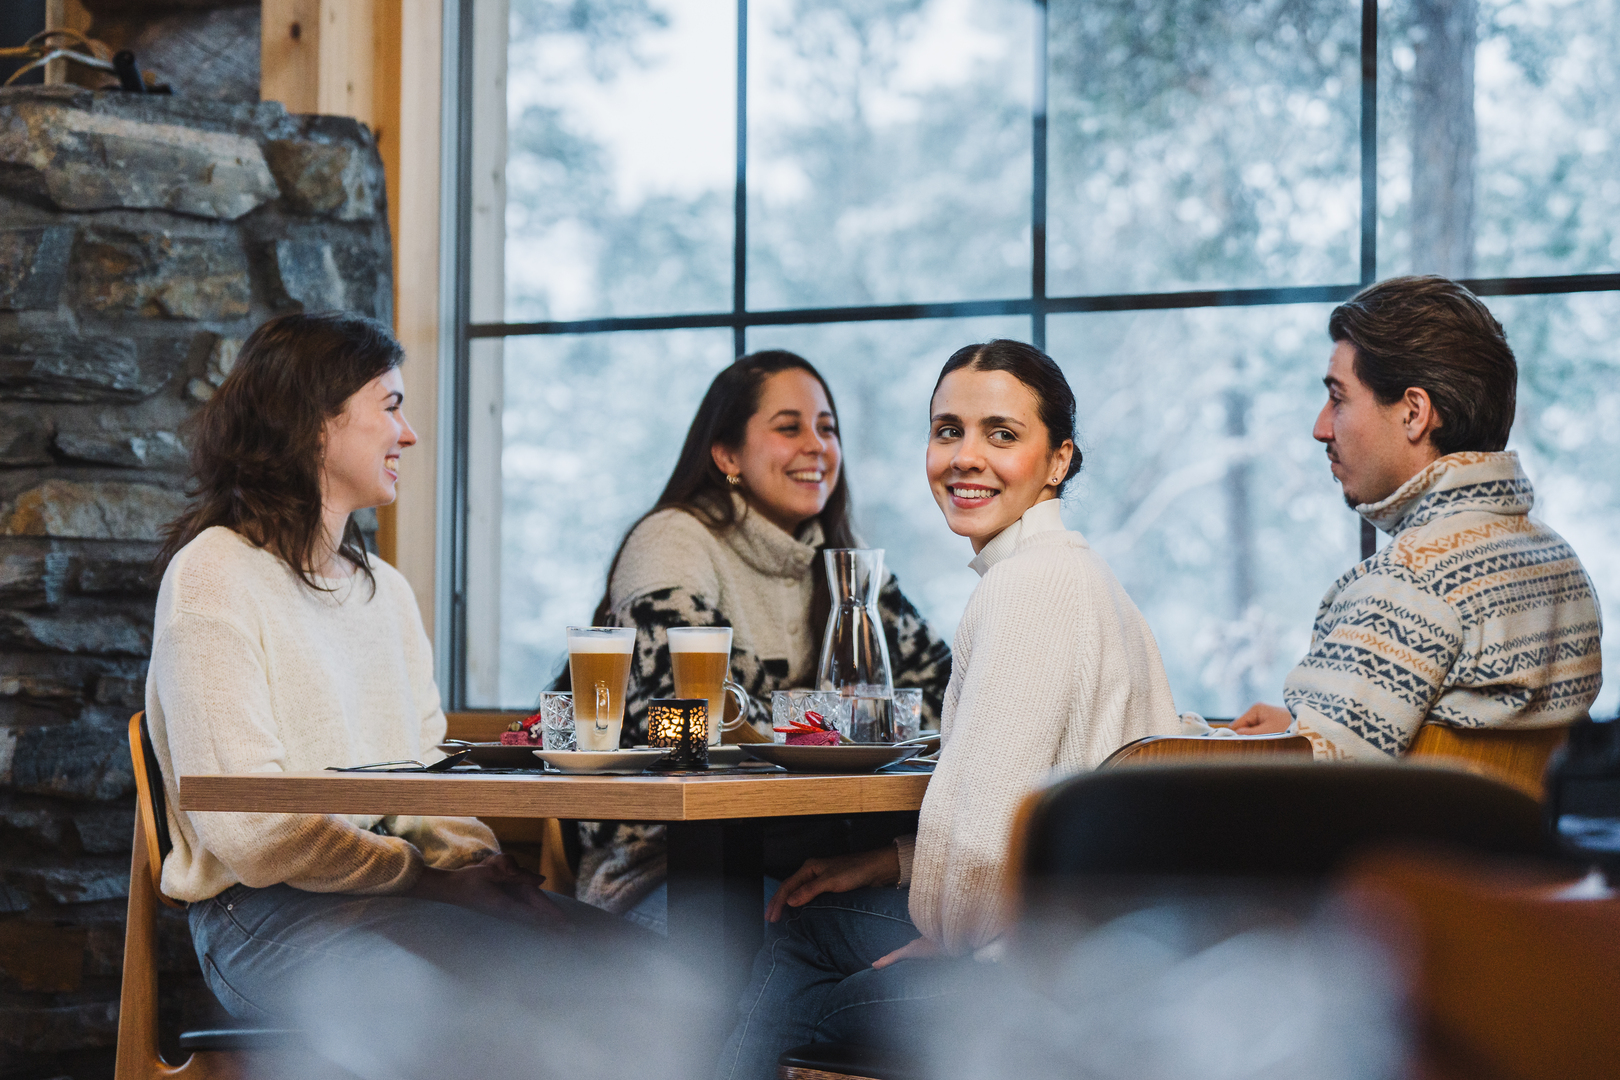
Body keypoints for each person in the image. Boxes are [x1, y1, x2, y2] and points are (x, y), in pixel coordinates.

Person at [145, 313, 695, 1075]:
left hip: (407, 894)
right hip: (262, 915)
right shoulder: (214, 575)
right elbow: (252, 834)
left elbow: (430, 781)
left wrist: (477, 871)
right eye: (391, 406)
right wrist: (429, 878)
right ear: (315, 421)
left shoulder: (386, 593)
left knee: (661, 983)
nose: (408, 434)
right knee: (484, 1018)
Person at [714, 339, 1183, 1079]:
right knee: (807, 927)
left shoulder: (1024, 588)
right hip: (1108, 944)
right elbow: (1033, 807)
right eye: (947, 431)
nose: (965, 457)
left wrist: (957, 940)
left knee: (797, 981)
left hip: (1040, 969)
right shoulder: (1079, 573)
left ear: (1058, 460)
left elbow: (986, 848)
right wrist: (894, 861)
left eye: (1001, 434)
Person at [570, 350, 954, 929]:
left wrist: (804, 718)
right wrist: (848, 720)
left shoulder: (845, 563)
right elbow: (682, 720)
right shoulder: (672, 541)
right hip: (671, 864)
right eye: (789, 427)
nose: (817, 446)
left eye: (827, 428)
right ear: (726, 454)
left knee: (923, 934)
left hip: (822, 854)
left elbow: (948, 697)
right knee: (823, 938)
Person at [1230, 276, 1603, 756]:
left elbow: (1315, 790)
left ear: (1413, 413)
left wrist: (1201, 739)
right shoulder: (1562, 567)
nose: (1321, 427)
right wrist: (1303, 728)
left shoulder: (1408, 583)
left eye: (1338, 398)